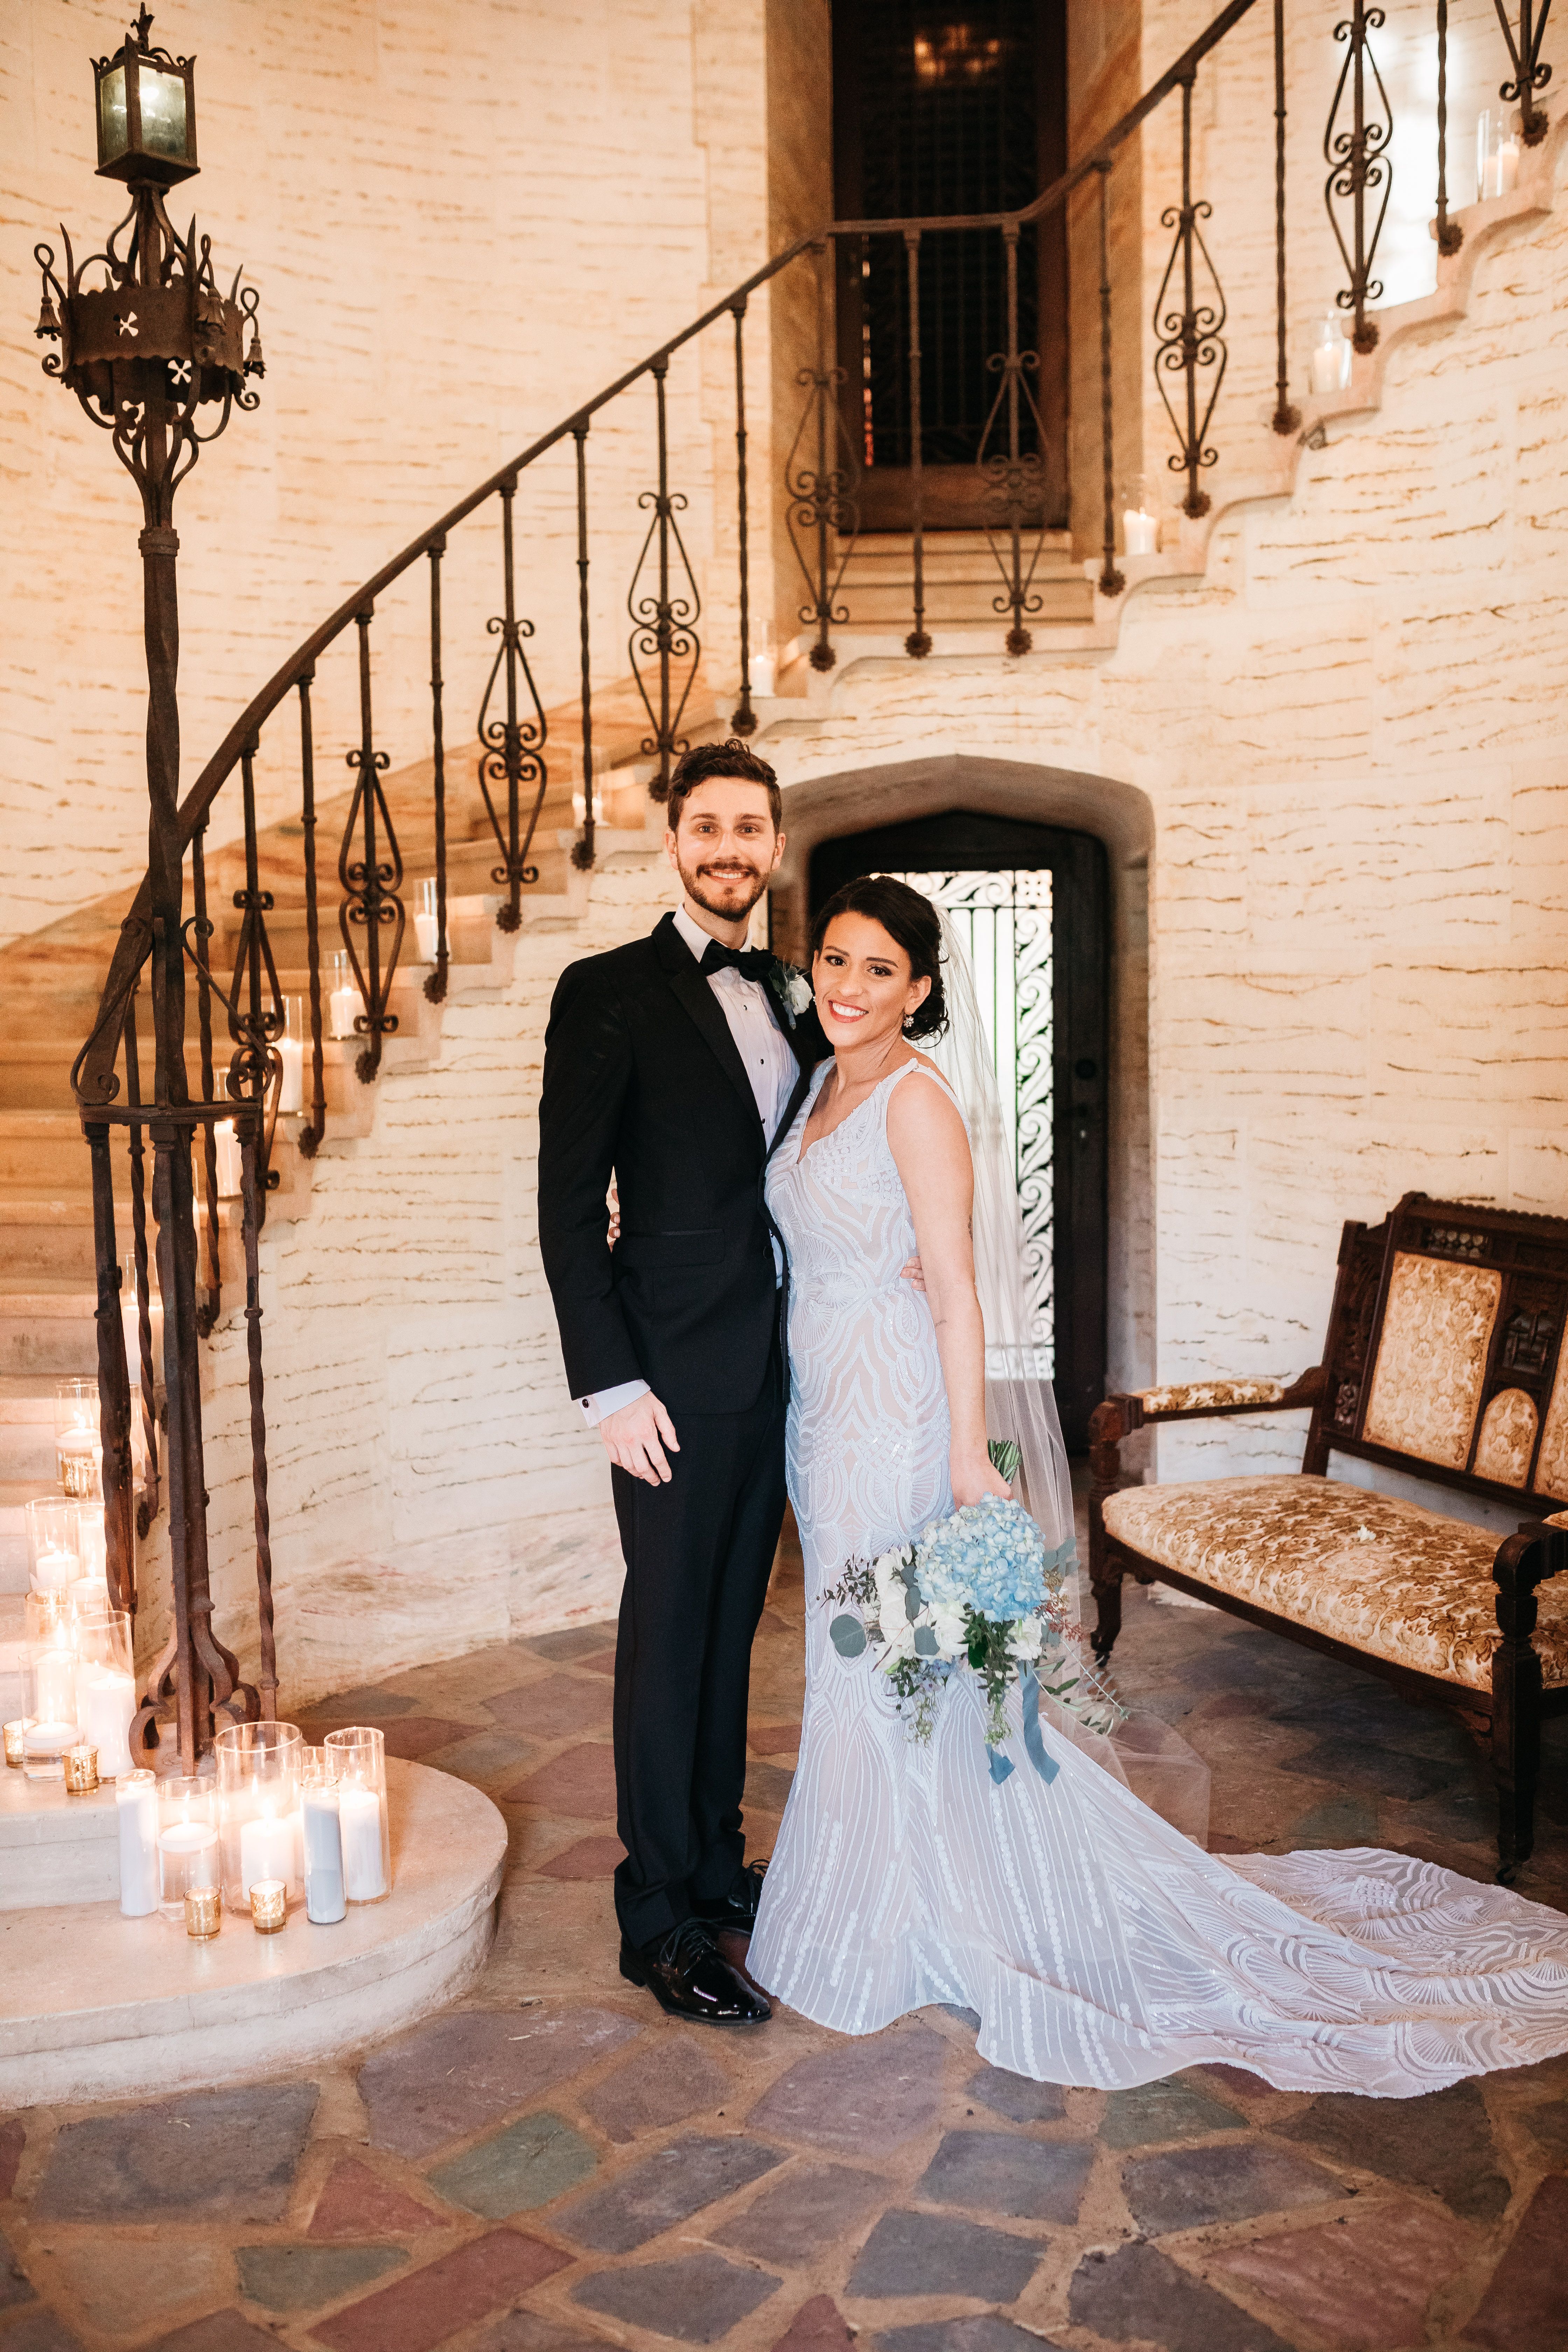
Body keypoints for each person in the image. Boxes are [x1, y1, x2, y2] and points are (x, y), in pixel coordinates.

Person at [747, 874, 1568, 2093]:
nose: (848, 987)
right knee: (863, 1650)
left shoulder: (917, 1103)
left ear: (921, 990)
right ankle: (882, 1879)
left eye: (878, 969)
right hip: (824, 1412)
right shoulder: (818, 1084)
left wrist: (971, 1454)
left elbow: (962, 1293)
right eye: (834, 960)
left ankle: (928, 1899)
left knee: (901, 1656)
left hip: (902, 1418)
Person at [537, 740, 829, 2025]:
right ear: (674, 842)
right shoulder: (605, 989)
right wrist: (610, 1387)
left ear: (773, 844)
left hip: (778, 1367)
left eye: (749, 828)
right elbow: (564, 1210)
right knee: (666, 1641)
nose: (728, 848)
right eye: (706, 826)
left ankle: (714, 1869)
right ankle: (657, 1914)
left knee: (728, 1631)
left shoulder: (793, 989)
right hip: (663, 1380)